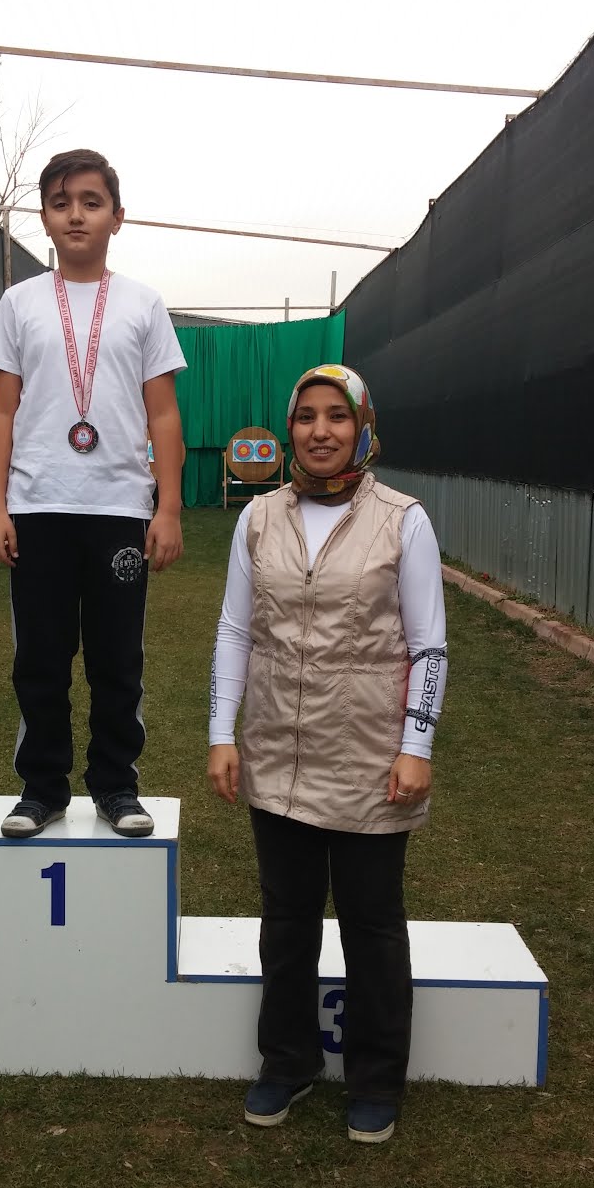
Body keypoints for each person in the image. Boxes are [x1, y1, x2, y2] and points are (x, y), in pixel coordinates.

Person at [207, 364, 448, 1144]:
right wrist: (222, 732)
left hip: (370, 760)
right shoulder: (259, 519)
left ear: (363, 426)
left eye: (337, 416)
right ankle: (288, 1062)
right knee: (287, 924)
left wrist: (416, 745)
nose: (320, 431)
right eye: (306, 415)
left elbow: (429, 647)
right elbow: (236, 630)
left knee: (372, 926)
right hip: (278, 754)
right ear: (289, 429)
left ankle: (376, 1079)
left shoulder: (403, 520)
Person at [0, 149, 186, 839]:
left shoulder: (143, 304)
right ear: (44, 216)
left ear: (116, 218)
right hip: (38, 506)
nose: (76, 215)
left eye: (91, 202)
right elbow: (1, 410)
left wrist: (168, 507)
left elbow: (163, 414)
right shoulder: (19, 303)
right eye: (61, 202)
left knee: (117, 658)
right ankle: (41, 789)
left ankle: (116, 786)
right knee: (40, 658)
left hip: (119, 509)